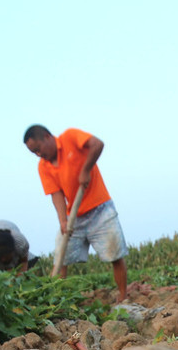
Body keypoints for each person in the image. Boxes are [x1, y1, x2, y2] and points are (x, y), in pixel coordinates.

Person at [22, 124, 129, 302]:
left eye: (38, 149)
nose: (39, 155)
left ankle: (123, 295)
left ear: (48, 137)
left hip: (100, 209)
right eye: (34, 153)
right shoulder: (44, 167)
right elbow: (56, 196)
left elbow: (97, 144)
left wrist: (86, 170)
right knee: (61, 258)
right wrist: (63, 221)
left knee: (114, 254)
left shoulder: (70, 138)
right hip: (75, 216)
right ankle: (54, 299)